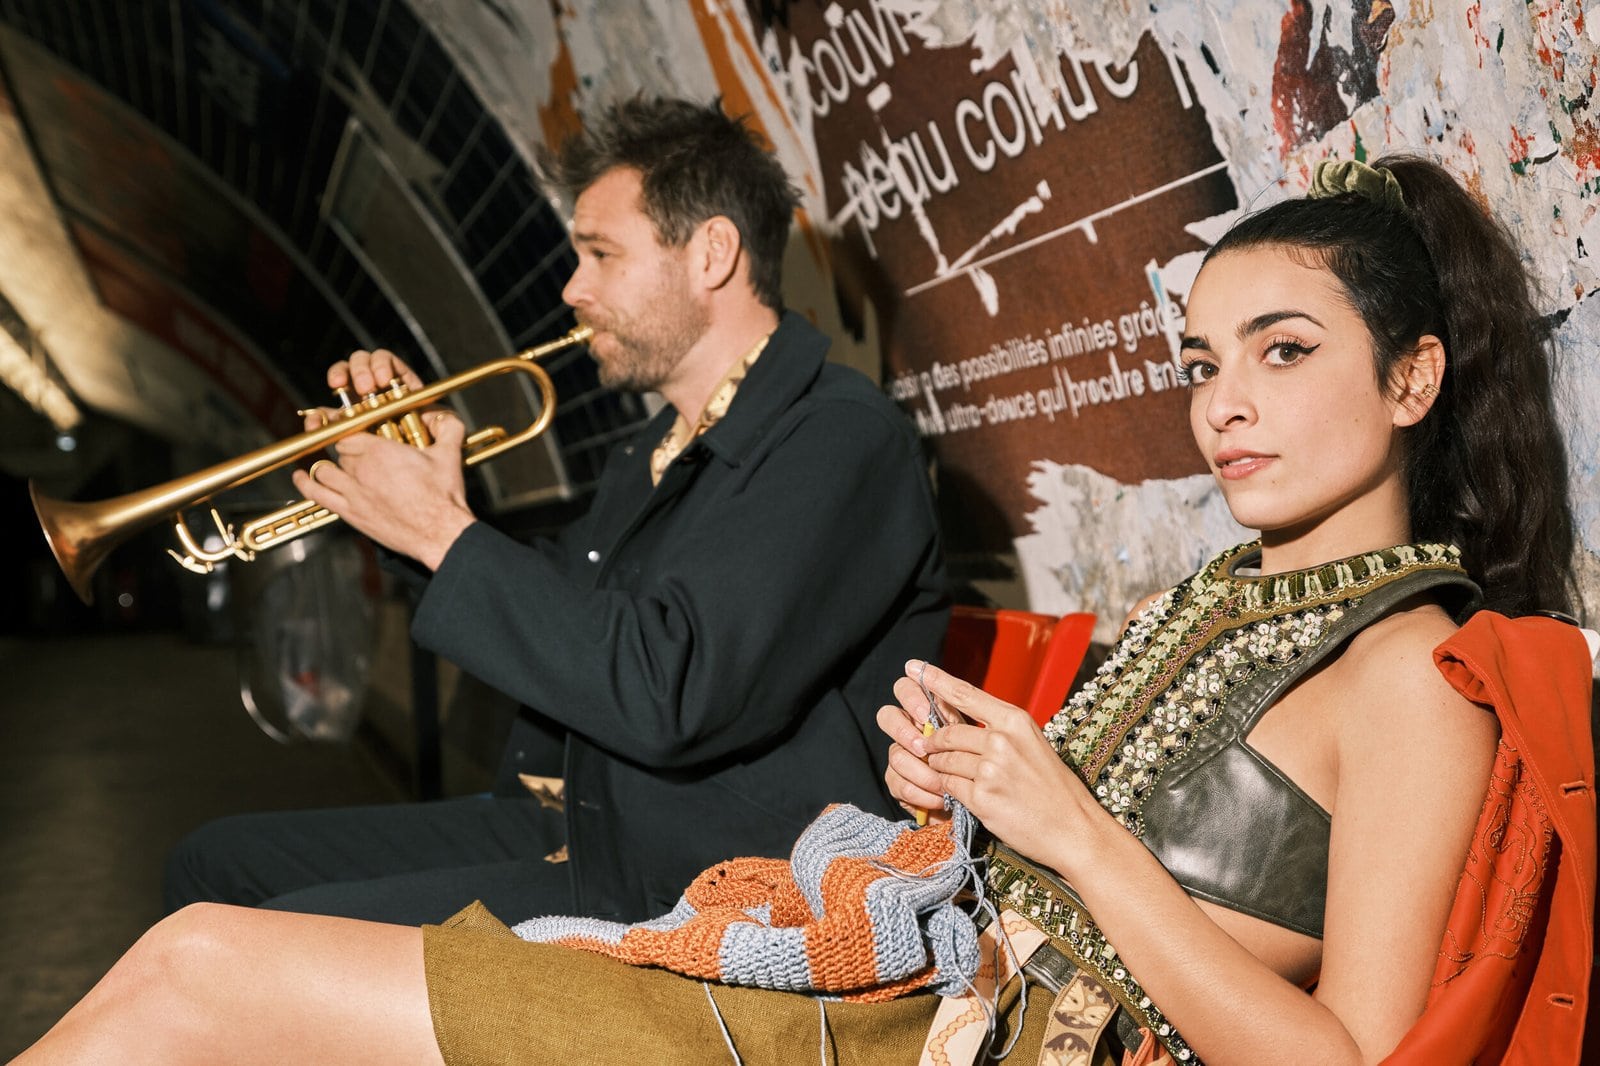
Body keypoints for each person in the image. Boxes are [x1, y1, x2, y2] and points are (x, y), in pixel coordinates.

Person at [18, 155, 1593, 1065]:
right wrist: (972, 787)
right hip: (901, 983)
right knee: (205, 939)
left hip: (919, 1041)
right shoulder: (1237, 594)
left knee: (203, 967)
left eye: (1284, 350)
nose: (1222, 404)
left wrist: (1073, 828)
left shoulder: (1416, 672)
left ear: (1414, 377)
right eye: (1199, 359)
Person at [161, 95, 949, 926]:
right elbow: (576, 610)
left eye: (601, 254)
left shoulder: (835, 438)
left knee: (259, 938)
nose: (574, 287)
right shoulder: (656, 444)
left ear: (712, 252)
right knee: (215, 863)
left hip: (701, 878)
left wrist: (441, 530)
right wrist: (412, 510)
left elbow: (668, 692)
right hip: (574, 820)